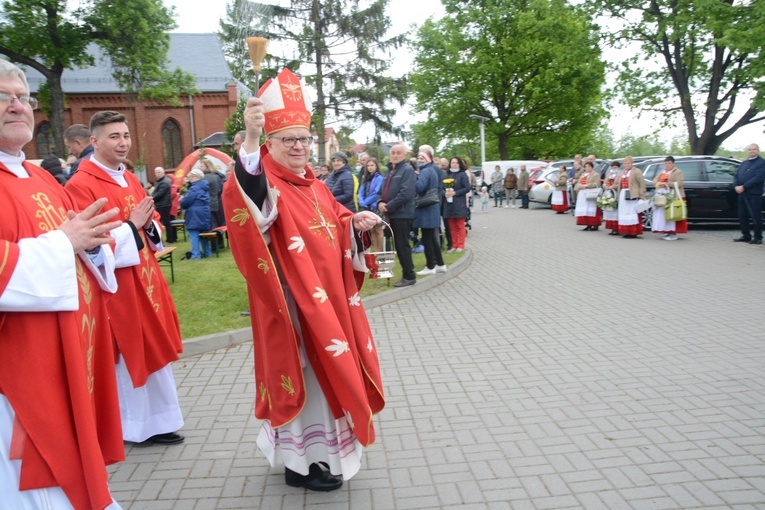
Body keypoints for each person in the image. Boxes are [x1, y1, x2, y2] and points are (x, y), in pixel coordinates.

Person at [221, 68, 384, 491]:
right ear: (271, 145)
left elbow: (336, 222)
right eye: (288, 140)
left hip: (327, 302)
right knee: (305, 377)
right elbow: (247, 197)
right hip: (292, 306)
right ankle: (299, 464)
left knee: (325, 375)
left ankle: (318, 456)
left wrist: (356, 223)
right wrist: (252, 138)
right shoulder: (266, 180)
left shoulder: (316, 185)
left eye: (304, 139)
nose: (298, 147)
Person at [0, 59, 124, 510]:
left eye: (24, 97)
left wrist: (89, 245)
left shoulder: (40, 177)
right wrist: (63, 243)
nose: (18, 106)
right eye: (4, 96)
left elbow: (76, 244)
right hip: (18, 368)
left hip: (70, 352)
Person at [65, 110, 186, 446]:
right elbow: (88, 244)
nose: (122, 143)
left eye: (126, 136)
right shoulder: (81, 184)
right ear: (94, 141)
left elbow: (152, 220)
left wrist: (147, 226)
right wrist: (133, 226)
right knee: (127, 355)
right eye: (114, 137)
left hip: (146, 279)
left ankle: (161, 421)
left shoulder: (129, 177)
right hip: (116, 289)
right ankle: (134, 427)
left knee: (154, 351)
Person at [379, 144, 417, 286]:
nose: (395, 155)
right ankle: (392, 272)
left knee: (402, 245)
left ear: (404, 155)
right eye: (393, 153)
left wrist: (388, 207)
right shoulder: (389, 171)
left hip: (401, 213)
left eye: (398, 153)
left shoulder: (407, 170)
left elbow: (406, 193)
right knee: (392, 245)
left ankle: (409, 276)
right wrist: (379, 202)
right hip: (390, 214)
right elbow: (382, 191)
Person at [413, 147, 446, 275]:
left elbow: (419, 187)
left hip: (426, 207)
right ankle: (440, 264)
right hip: (432, 206)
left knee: (427, 238)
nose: (419, 160)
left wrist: (415, 178)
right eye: (418, 158)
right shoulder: (431, 170)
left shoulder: (425, 171)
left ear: (428, 159)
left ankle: (430, 266)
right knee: (432, 238)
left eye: (422, 158)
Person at [733, 143, 765, 244]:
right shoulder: (744, 163)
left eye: (754, 149)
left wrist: (744, 186)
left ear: (758, 151)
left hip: (754, 193)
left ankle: (758, 237)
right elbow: (736, 175)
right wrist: (736, 186)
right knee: (742, 216)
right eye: (750, 150)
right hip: (742, 194)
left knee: (755, 216)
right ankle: (746, 235)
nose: (752, 151)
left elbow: (759, 177)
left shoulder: (762, 163)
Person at [651, 156, 686, 241]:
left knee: (671, 212)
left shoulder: (677, 172)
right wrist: (659, 183)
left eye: (669, 163)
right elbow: (654, 180)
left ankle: (672, 232)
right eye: (666, 163)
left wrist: (667, 183)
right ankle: (666, 231)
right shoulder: (662, 171)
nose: (667, 165)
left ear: (673, 164)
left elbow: (679, 183)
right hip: (662, 195)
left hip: (672, 195)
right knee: (664, 213)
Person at [181, 169, 213, 259]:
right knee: (203, 234)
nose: (189, 178)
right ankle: (208, 253)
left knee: (193, 233)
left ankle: (195, 255)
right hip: (205, 212)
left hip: (194, 213)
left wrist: (183, 199)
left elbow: (185, 202)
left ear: (197, 177)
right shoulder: (204, 186)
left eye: (191, 176)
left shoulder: (194, 188)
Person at [443, 156, 471, 252]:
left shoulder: (462, 175)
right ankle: (454, 245)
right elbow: (442, 187)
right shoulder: (447, 174)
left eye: (456, 163)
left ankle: (460, 245)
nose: (454, 164)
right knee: (452, 226)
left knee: (460, 225)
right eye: (452, 162)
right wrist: (445, 193)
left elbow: (467, 188)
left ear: (459, 164)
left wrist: (455, 192)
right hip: (449, 203)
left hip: (459, 203)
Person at [357, 157, 385, 252]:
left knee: (378, 229)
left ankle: (380, 251)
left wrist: (365, 202)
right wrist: (361, 201)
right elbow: (361, 191)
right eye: (368, 165)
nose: (370, 167)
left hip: (374, 206)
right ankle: (376, 252)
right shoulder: (365, 178)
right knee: (371, 230)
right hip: (366, 207)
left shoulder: (379, 178)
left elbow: (376, 193)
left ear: (376, 166)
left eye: (372, 165)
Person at [616, 156, 647, 238]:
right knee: (624, 212)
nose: (627, 164)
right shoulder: (622, 172)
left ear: (632, 163)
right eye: (625, 163)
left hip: (632, 194)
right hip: (623, 193)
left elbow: (641, 184)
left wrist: (641, 194)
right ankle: (625, 231)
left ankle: (633, 232)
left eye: (628, 163)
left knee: (632, 212)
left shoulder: (636, 171)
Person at [573, 160, 602, 230]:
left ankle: (594, 224)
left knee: (591, 208)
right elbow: (579, 182)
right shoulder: (583, 174)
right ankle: (588, 224)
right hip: (583, 193)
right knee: (585, 209)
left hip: (591, 193)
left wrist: (587, 185)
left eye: (588, 167)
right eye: (585, 167)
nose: (586, 168)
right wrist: (579, 185)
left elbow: (596, 184)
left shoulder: (596, 174)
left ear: (592, 167)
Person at [152, 166, 176, 243]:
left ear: (163, 173)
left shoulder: (164, 182)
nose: (157, 174)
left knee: (166, 222)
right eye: (156, 172)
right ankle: (165, 238)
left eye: (159, 172)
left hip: (164, 204)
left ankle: (170, 239)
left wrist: (151, 198)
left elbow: (160, 194)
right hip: (160, 204)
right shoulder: (159, 181)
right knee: (161, 222)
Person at [602, 161, 621, 234]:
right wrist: (605, 186)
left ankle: (616, 228)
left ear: (618, 168)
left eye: (615, 167)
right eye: (613, 167)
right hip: (608, 192)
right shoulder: (609, 174)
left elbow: (619, 184)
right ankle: (611, 228)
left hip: (614, 193)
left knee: (615, 210)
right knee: (608, 209)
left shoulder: (619, 175)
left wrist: (612, 187)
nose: (614, 169)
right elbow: (604, 182)